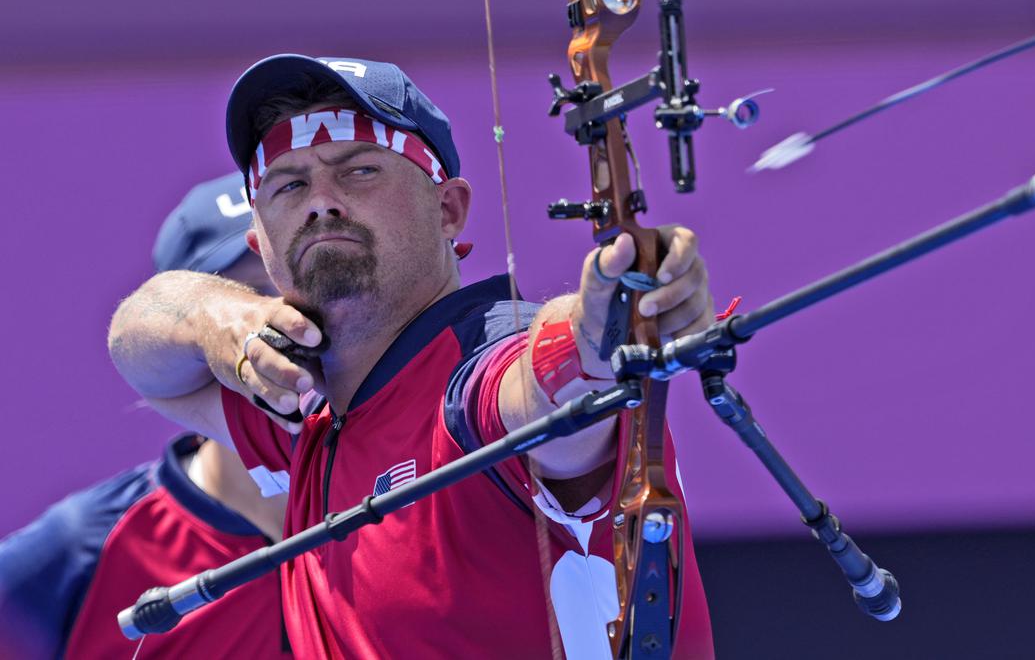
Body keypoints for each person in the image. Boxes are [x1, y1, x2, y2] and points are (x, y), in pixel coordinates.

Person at [108, 55, 716, 658]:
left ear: (448, 209)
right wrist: (222, 317)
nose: (321, 201)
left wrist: (602, 329)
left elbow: (549, 395)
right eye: (289, 184)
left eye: (359, 171)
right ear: (258, 241)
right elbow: (141, 350)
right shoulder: (307, 404)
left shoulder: (477, 374)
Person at [0, 174, 293, 659]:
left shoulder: (420, 508)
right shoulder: (84, 548)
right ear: (174, 336)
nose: (278, 326)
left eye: (295, 292)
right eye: (244, 298)